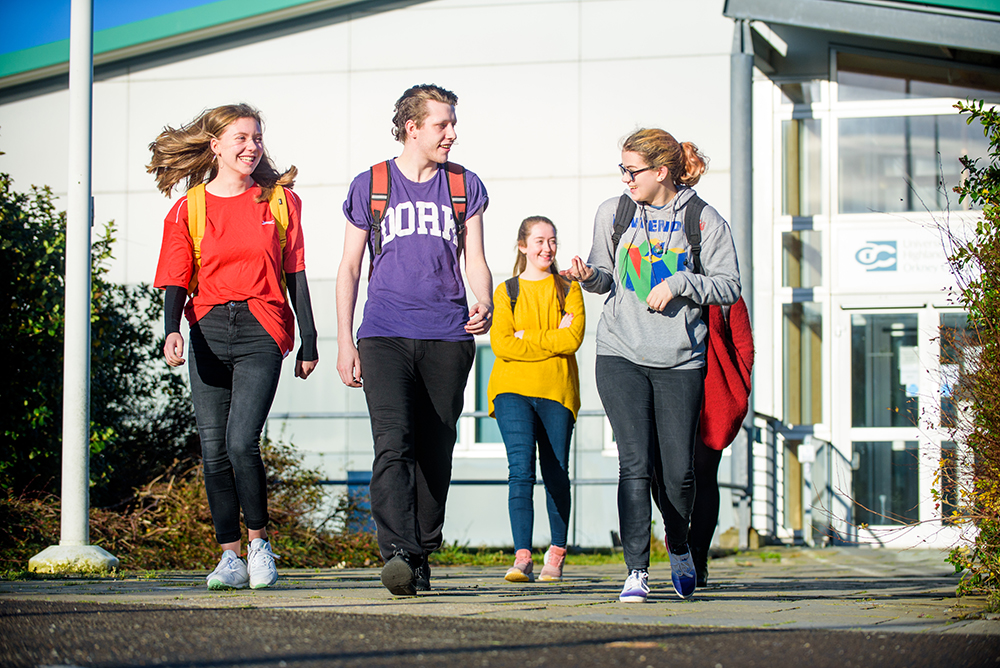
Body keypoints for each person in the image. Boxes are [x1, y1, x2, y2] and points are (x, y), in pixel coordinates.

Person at [562, 128, 741, 602]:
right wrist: (587, 276)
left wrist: (684, 281)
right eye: (622, 169)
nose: (625, 179)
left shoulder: (704, 219)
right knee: (634, 465)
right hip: (619, 353)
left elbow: (729, 285)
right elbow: (605, 279)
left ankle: (679, 545)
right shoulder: (614, 213)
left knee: (680, 473)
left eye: (632, 170)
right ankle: (636, 570)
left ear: (661, 172)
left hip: (680, 360)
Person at [149, 103, 319, 590]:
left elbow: (297, 272)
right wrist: (171, 329)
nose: (251, 147)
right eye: (241, 138)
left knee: (242, 441)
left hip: (261, 328)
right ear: (216, 145)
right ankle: (230, 556)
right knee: (213, 449)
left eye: (257, 138)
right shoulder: (189, 208)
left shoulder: (280, 203)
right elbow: (176, 277)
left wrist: (310, 338)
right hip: (205, 328)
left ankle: (260, 544)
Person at [336, 84, 493, 596]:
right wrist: (344, 339)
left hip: (447, 334)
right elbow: (350, 267)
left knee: (436, 446)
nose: (452, 133)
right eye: (442, 124)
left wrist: (484, 299)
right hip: (383, 332)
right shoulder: (372, 184)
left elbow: (475, 258)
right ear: (413, 127)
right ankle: (398, 553)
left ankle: (422, 549)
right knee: (392, 441)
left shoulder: (464, 185)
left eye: (453, 123)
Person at [488, 216, 586, 583]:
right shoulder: (506, 291)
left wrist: (527, 336)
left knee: (556, 472)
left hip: (557, 391)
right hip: (511, 389)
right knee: (520, 470)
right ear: (523, 246)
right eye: (540, 241)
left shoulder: (568, 289)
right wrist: (550, 337)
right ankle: (523, 557)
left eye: (553, 241)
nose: (547, 248)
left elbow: (572, 340)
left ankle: (557, 553)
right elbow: (501, 344)